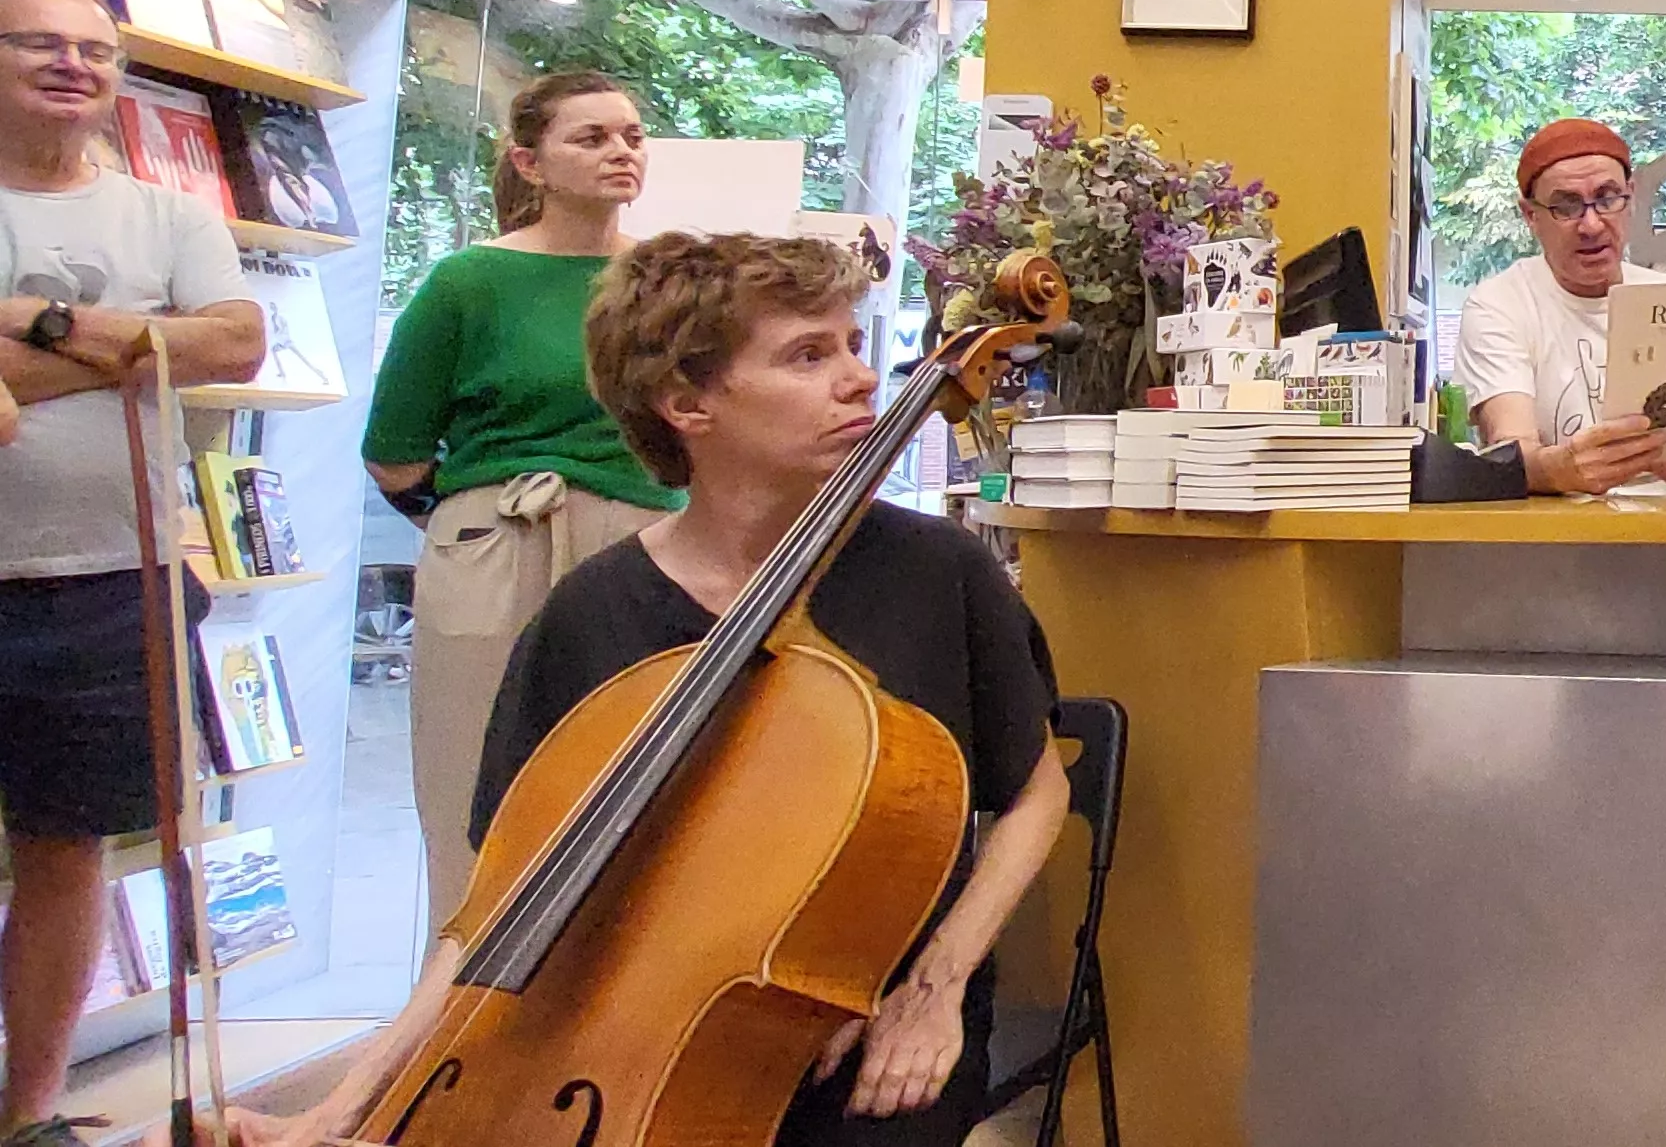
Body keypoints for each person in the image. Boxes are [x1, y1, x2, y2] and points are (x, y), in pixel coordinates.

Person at [232, 233, 1071, 1147]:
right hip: (630, 1035)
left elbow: (1035, 794)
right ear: (686, 403)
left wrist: (936, 985)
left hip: (868, 1024)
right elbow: (497, 909)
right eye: (808, 354)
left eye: (851, 345)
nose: (861, 378)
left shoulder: (937, 571)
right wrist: (341, 1107)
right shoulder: (590, 614)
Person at [0, 0, 264, 1147]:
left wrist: (35, 327)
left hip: (117, 580)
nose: (74, 64)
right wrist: (140, 348)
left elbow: (237, 344)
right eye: (40, 43)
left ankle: (27, 1116)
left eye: (95, 49)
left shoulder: (169, 218)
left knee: (65, 852)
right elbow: (186, 344)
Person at [362, 71, 682, 928]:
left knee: (643, 778)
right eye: (592, 137)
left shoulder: (667, 278)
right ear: (530, 163)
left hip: (648, 537)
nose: (621, 152)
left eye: (632, 136)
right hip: (500, 532)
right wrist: (470, 523)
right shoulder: (467, 281)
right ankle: (464, 982)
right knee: (473, 775)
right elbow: (393, 451)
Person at [1455, 118, 1666, 496]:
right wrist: (1558, 470)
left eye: (1607, 199)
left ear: (1631, 197)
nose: (1591, 225)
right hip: (1561, 529)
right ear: (1531, 216)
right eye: (1566, 206)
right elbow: (1509, 447)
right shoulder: (1500, 304)